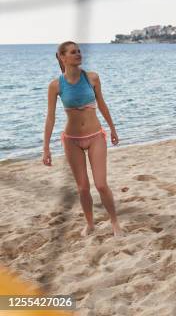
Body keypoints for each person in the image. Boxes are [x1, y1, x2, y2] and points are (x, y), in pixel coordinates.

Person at [43, 41, 123, 237]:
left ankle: (115, 223)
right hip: (71, 140)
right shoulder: (55, 85)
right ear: (63, 57)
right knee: (83, 187)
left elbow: (102, 105)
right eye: (73, 52)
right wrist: (46, 147)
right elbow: (50, 117)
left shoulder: (92, 78)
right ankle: (90, 224)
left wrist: (112, 129)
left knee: (101, 184)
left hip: (96, 136)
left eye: (79, 51)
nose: (78, 54)